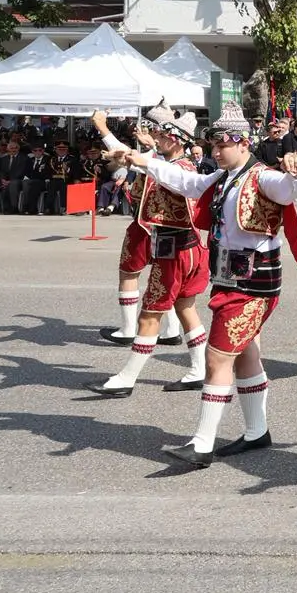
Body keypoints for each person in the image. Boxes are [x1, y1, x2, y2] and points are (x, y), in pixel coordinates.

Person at [109, 103, 297, 469]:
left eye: (222, 146)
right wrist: (141, 160)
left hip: (253, 283)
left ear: (244, 143)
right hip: (229, 279)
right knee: (245, 355)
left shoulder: (262, 177)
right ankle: (256, 431)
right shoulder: (222, 177)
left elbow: (287, 189)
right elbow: (186, 182)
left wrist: (296, 169)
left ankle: (202, 444)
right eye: (213, 146)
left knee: (218, 358)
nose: (215, 153)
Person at [85, 107, 210, 397]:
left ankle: (126, 379)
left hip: (174, 252)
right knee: (186, 309)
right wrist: (123, 151)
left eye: (163, 135)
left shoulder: (176, 169)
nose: (156, 137)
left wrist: (126, 152)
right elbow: (143, 161)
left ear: (176, 140)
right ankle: (199, 369)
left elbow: (150, 165)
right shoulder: (174, 164)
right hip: (189, 249)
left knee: (149, 316)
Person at [92, 110, 182, 347]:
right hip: (164, 226)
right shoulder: (172, 159)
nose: (154, 135)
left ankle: (128, 329)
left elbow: (130, 156)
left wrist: (102, 127)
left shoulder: (159, 159)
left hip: (146, 223)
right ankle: (172, 329)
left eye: (158, 132)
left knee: (129, 273)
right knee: (161, 279)